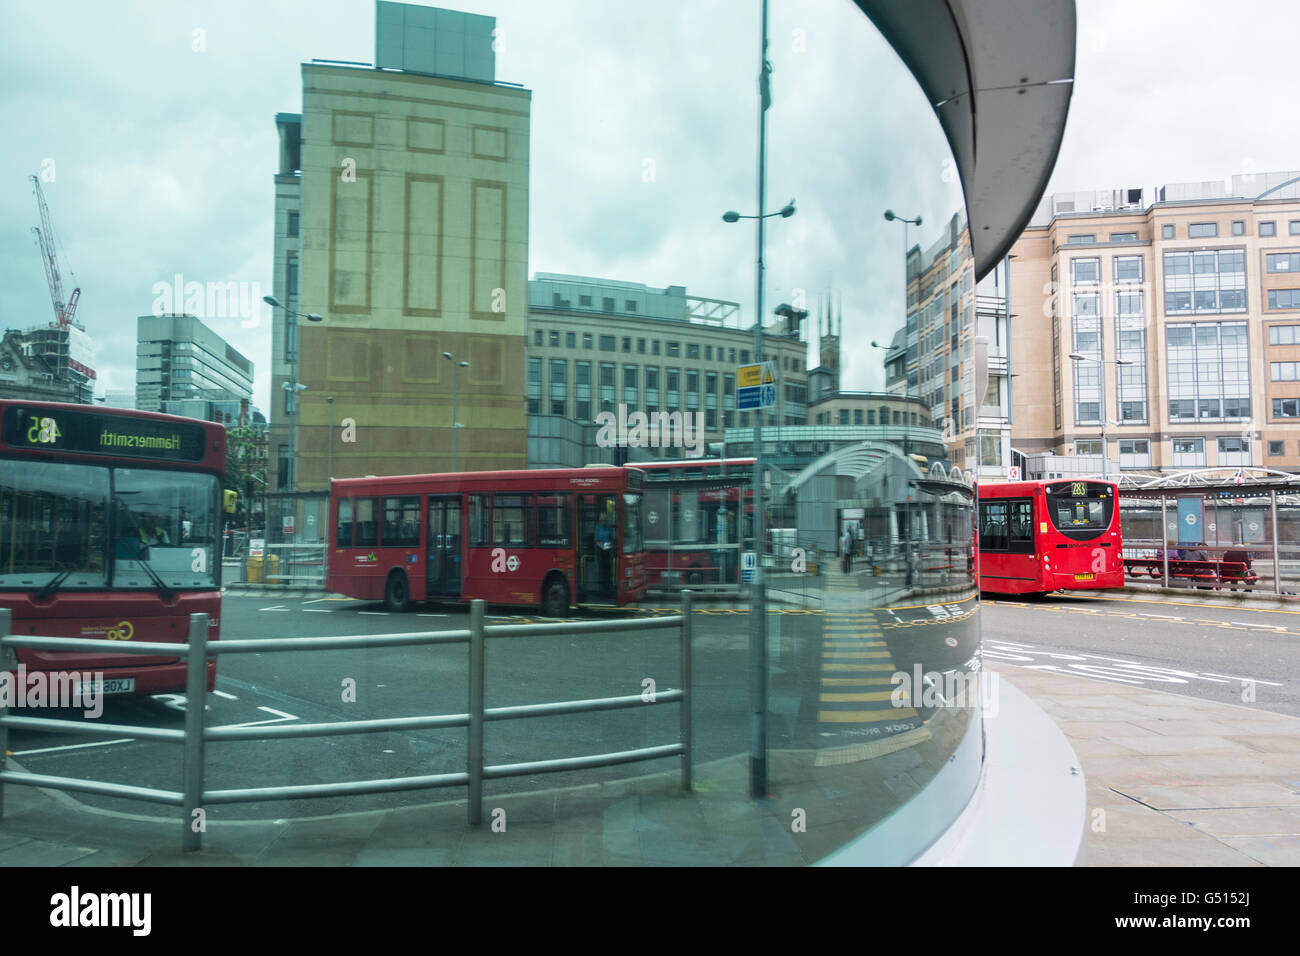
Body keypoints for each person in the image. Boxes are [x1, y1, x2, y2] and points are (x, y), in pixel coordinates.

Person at [594, 512, 614, 597]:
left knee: (608, 572)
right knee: (601, 572)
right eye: (602, 520)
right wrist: (603, 546)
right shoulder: (598, 528)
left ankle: (608, 590)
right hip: (600, 552)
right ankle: (601, 591)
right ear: (600, 520)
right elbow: (596, 541)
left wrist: (607, 546)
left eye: (605, 520)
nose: (604, 522)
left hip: (608, 552)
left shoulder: (609, 528)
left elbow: (612, 540)